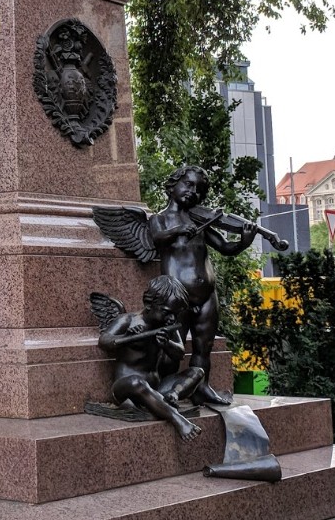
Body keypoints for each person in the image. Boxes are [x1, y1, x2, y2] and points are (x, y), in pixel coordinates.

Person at [147, 165, 257, 401]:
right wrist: (178, 230)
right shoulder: (160, 219)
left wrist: (244, 242)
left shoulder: (199, 220)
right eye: (188, 184)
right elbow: (156, 238)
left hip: (207, 294)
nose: (193, 192)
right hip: (177, 297)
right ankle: (160, 390)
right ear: (172, 185)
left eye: (199, 189)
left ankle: (202, 387)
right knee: (172, 349)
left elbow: (225, 247)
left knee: (203, 346)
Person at [91, 277, 204, 441]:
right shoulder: (128, 321)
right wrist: (127, 336)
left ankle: (172, 395)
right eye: (167, 312)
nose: (172, 318)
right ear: (150, 304)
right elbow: (104, 341)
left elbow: (179, 353)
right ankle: (176, 418)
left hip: (156, 387)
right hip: (127, 388)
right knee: (136, 382)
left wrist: (167, 344)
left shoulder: (167, 325)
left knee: (197, 372)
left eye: (175, 314)